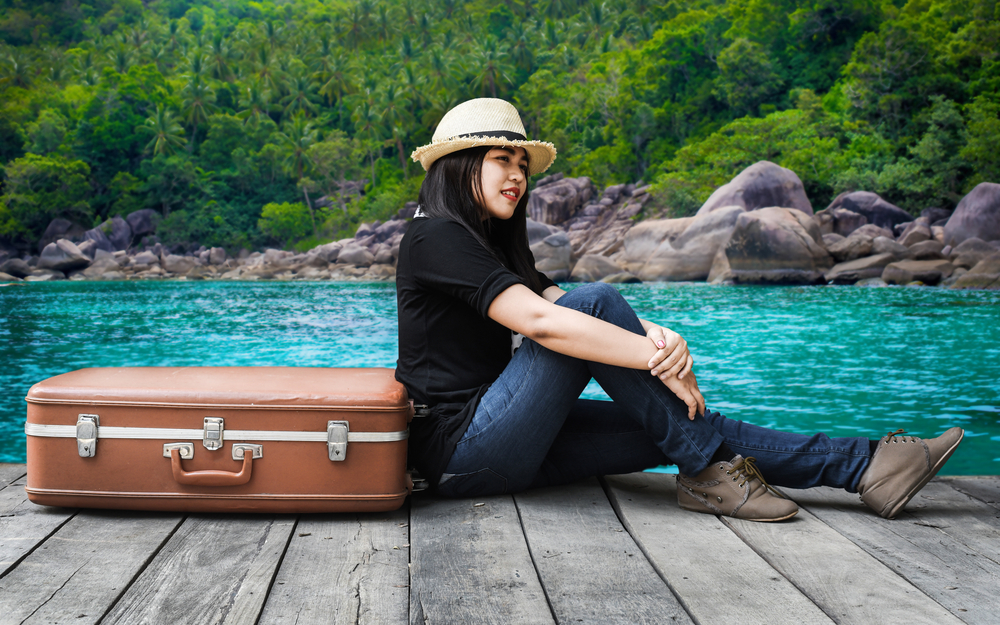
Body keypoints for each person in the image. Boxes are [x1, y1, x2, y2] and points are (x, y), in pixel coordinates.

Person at [395, 98, 964, 521]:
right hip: (461, 450)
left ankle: (866, 466)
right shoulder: (433, 236)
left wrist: (663, 341)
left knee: (684, 425)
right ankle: (706, 476)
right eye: (503, 160)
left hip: (509, 441)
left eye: (523, 163)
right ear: (460, 165)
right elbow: (543, 322)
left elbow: (556, 301)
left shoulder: (487, 244)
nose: (519, 175)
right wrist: (654, 360)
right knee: (602, 305)